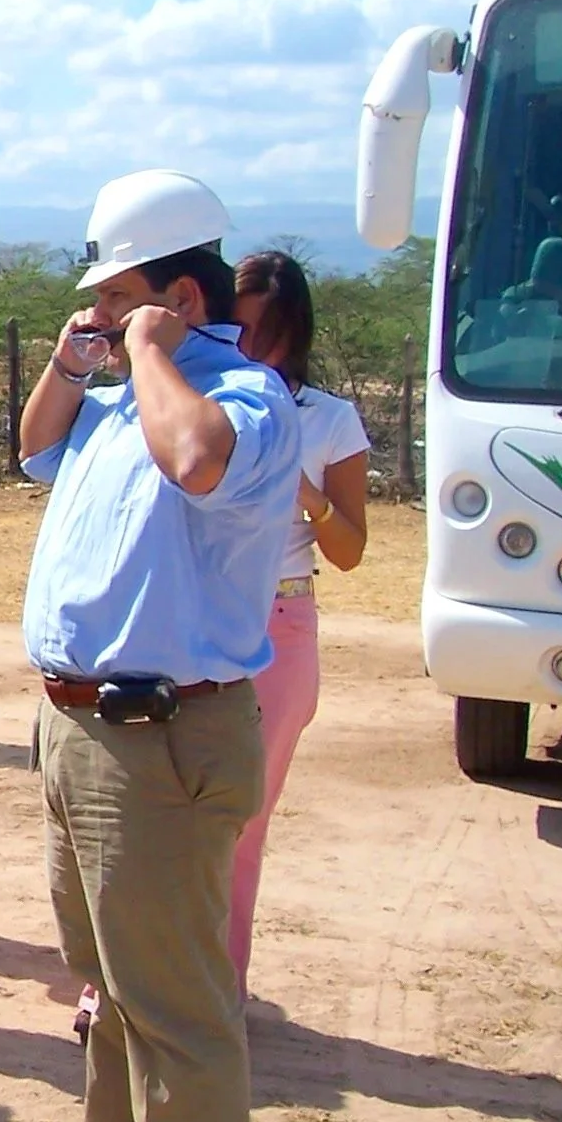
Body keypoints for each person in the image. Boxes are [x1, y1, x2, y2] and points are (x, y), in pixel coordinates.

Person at [11, 169, 299, 1122]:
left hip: (163, 735)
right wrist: (74, 360)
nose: (95, 313)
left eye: (115, 296)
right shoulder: (125, 395)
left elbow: (200, 464)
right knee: (106, 977)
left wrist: (144, 349)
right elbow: (35, 448)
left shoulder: (240, 398)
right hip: (79, 724)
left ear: (181, 298)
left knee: (175, 996)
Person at [230, 250, 368, 992]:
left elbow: (349, 550)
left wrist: (308, 495)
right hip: (201, 608)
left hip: (282, 617)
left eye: (268, 332)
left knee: (245, 819)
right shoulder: (203, 403)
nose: (253, 347)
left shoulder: (331, 420)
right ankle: (121, 979)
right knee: (161, 806)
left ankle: (219, 985)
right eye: (242, 327)